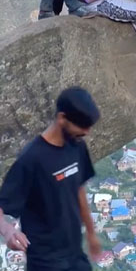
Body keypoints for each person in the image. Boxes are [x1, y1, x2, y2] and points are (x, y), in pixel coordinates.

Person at [0, 87, 102, 271]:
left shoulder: (76, 146)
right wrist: (8, 231)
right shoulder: (31, 159)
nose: (87, 132)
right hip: (45, 261)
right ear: (62, 118)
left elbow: (79, 189)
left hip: (74, 254)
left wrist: (91, 233)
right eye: (82, 126)